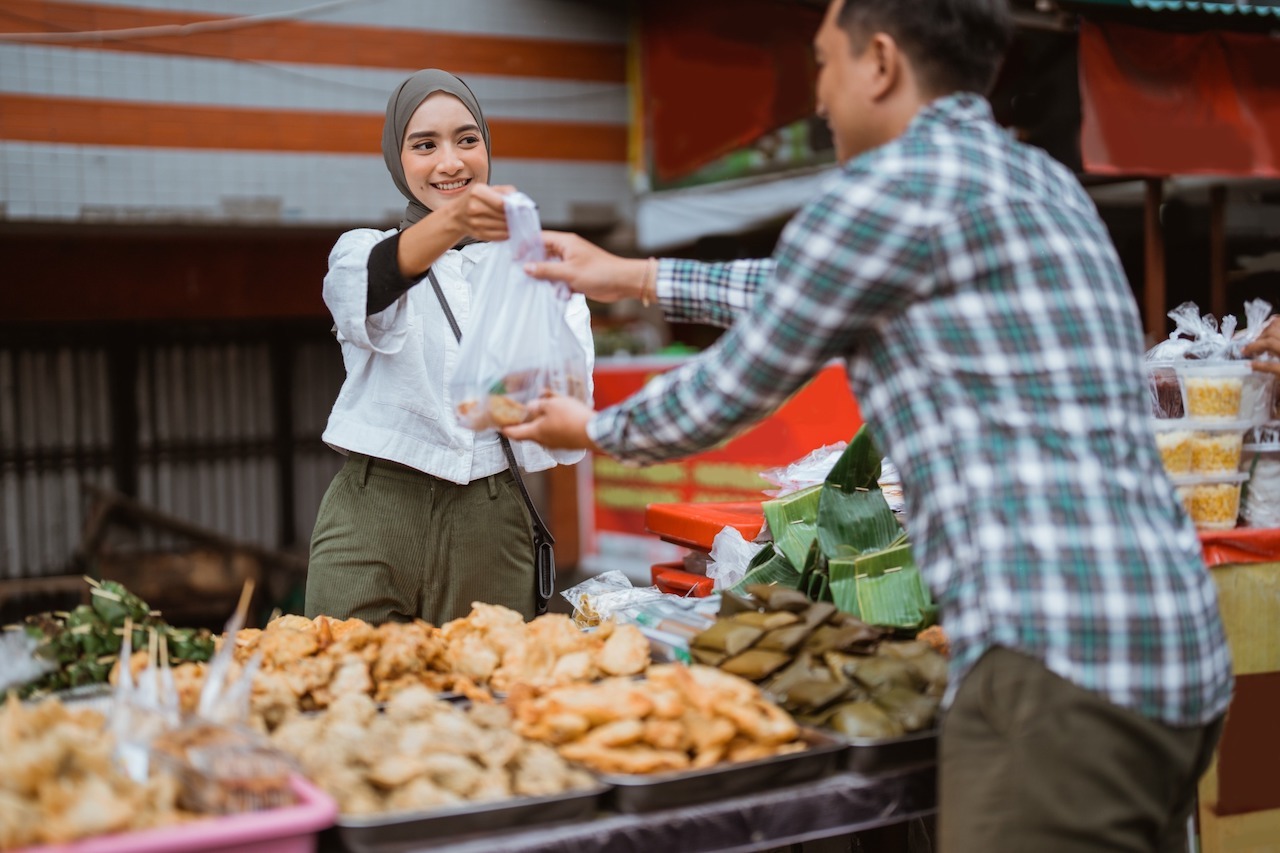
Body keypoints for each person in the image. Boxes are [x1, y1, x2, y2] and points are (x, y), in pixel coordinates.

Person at [505, 1, 1233, 850]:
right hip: (1179, 650)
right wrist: (633, 276)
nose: (816, 97)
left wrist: (590, 429)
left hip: (1060, 672)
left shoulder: (887, 187)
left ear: (880, 62)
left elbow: (731, 386)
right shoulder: (1035, 179)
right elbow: (818, 285)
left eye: (822, 63)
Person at [306, 69, 593, 626]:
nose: (451, 162)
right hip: (375, 501)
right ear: (397, 157)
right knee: (336, 674)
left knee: (487, 690)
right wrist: (460, 216)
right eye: (424, 145)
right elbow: (368, 286)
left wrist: (519, 401)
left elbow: (561, 400)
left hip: (491, 507)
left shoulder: (537, 267)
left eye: (467, 139)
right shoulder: (363, 249)